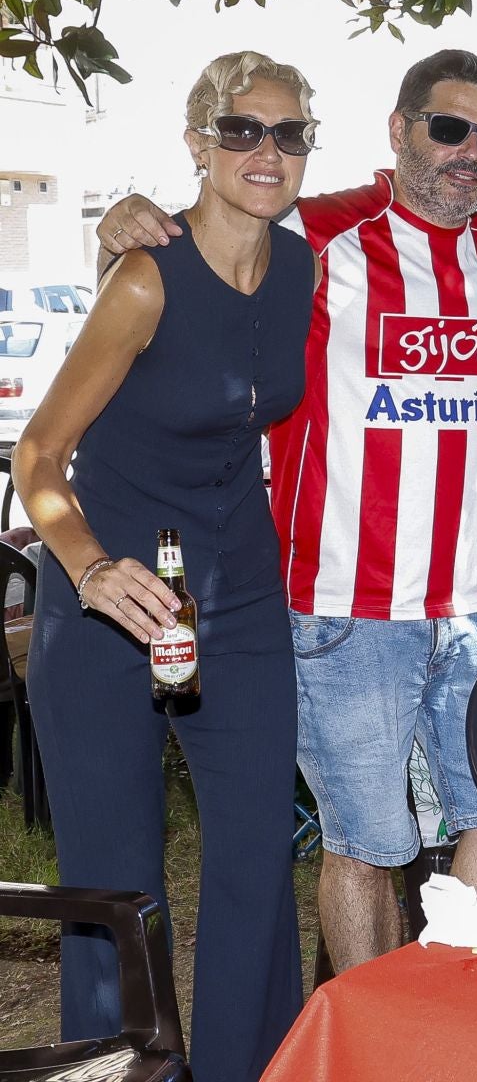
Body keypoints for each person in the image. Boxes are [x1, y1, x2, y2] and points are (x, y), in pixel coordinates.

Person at [96, 49, 477, 973]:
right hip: (346, 607)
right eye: (448, 129)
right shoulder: (316, 235)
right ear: (399, 131)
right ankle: (370, 1040)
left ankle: (456, 1015)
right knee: (365, 844)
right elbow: (194, 252)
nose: (469, 153)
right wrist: (115, 232)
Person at [19, 52, 316, 1079]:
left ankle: (251, 1066)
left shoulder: (305, 266)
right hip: (107, 600)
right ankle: (118, 1066)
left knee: (253, 855)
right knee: (112, 877)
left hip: (236, 591)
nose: (265, 152)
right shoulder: (145, 276)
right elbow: (38, 453)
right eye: (241, 130)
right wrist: (94, 568)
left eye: (288, 133)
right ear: (199, 143)